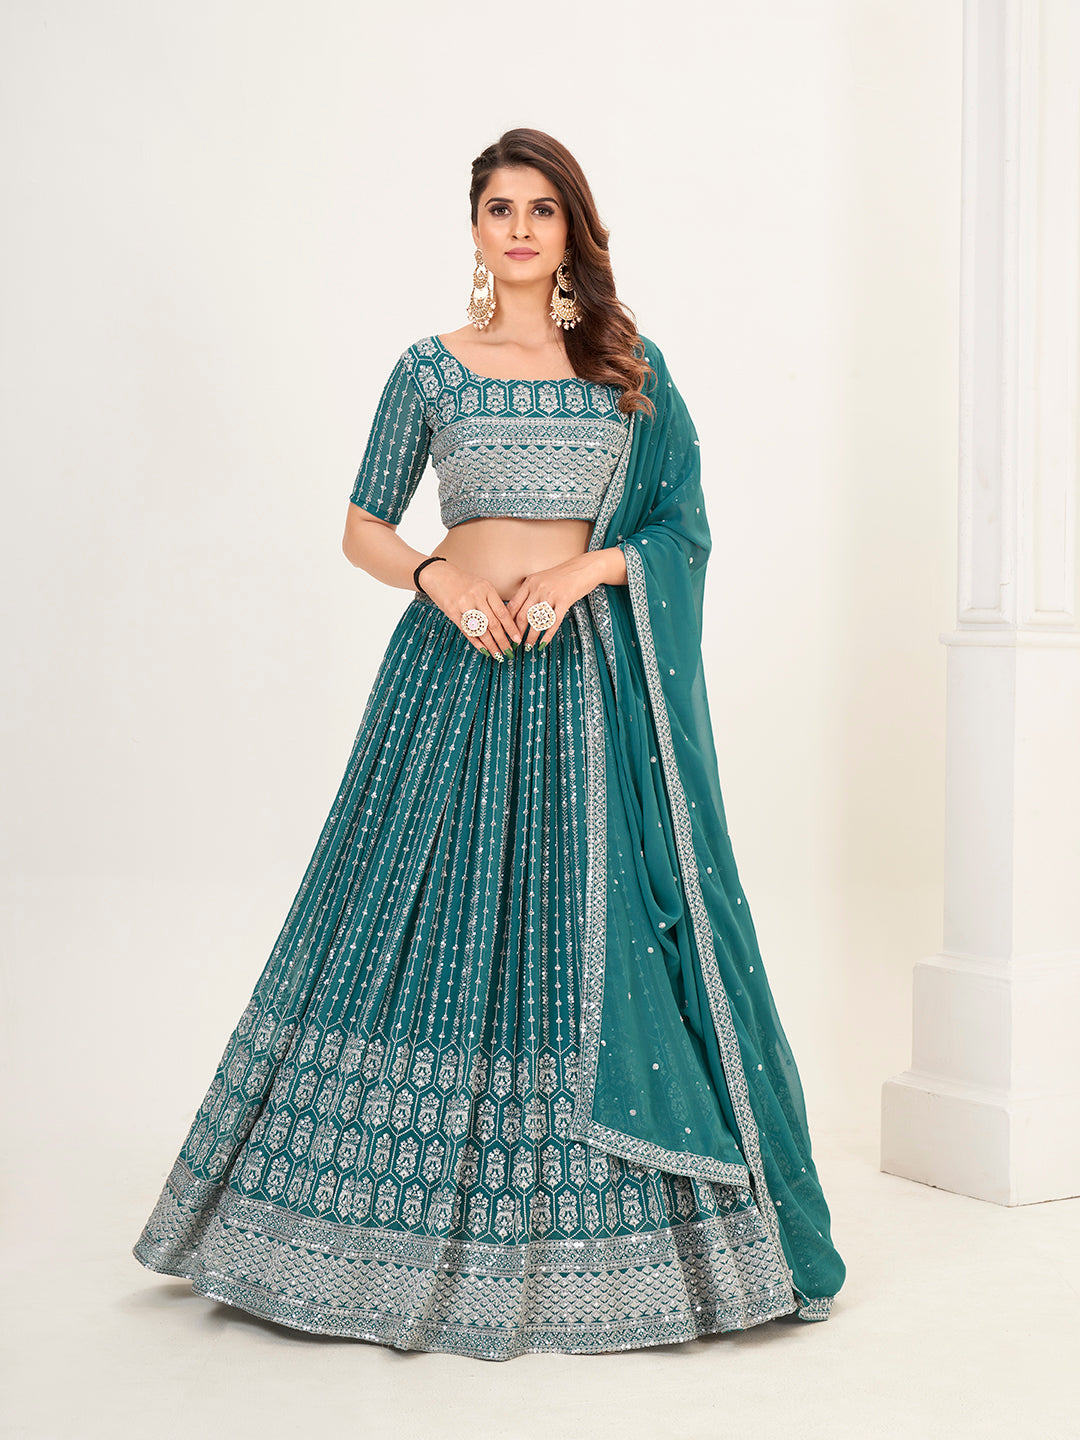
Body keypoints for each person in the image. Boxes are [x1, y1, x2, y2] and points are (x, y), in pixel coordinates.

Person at [133, 127, 846, 1361]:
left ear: (572, 230)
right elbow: (361, 525)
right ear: (474, 229)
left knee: (585, 936)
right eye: (500, 209)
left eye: (541, 210)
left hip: (584, 683)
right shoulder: (429, 369)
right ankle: (348, 1220)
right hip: (449, 674)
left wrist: (582, 572)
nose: (519, 229)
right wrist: (438, 579)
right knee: (404, 923)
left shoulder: (627, 370)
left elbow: (681, 528)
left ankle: (615, 1227)